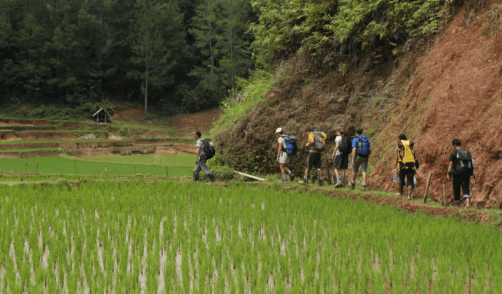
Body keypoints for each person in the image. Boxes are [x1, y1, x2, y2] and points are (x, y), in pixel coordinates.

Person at [447, 139, 472, 207]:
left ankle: (457, 205)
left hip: (457, 173)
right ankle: (467, 204)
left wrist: (448, 173)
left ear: (454, 145)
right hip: (466, 173)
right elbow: (472, 162)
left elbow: (450, 164)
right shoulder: (467, 152)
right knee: (466, 187)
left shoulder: (453, 153)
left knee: (456, 188)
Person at [392, 134, 418, 200]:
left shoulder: (398, 147)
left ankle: (401, 194)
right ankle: (409, 196)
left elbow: (396, 159)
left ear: (400, 139)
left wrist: (394, 168)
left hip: (402, 166)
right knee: (410, 181)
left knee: (401, 180)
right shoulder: (410, 146)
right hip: (411, 165)